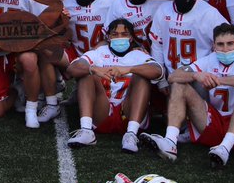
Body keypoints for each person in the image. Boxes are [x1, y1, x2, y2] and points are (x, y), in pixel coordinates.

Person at [142, 23, 234, 167]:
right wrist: (196, 75)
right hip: (213, 121)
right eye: (220, 44)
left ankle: (225, 147)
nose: (225, 49)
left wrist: (218, 80)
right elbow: (173, 76)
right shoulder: (210, 59)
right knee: (179, 84)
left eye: (230, 44)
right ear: (214, 46)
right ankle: (170, 142)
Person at [65, 19, 163, 150]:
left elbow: (158, 71)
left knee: (142, 75)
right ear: (108, 37)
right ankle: (86, 130)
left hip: (128, 111)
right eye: (115, 34)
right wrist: (93, 69)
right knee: (87, 73)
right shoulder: (99, 52)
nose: (119, 38)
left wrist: (130, 69)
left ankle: (131, 134)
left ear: (131, 38)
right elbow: (72, 69)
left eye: (124, 34)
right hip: (102, 111)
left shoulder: (139, 55)